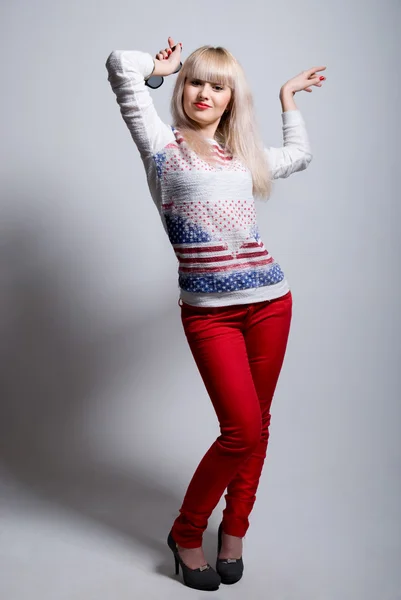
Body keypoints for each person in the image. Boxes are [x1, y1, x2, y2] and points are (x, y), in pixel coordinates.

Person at [105, 37, 326, 591]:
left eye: (218, 84)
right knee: (242, 429)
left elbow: (298, 156)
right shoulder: (161, 144)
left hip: (272, 302)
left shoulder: (242, 156)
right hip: (210, 315)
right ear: (183, 89)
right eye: (196, 81)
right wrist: (159, 69)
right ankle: (186, 533)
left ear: (232, 98)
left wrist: (287, 99)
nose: (205, 91)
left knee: (259, 426)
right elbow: (118, 67)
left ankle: (234, 531)